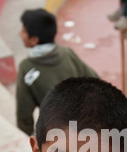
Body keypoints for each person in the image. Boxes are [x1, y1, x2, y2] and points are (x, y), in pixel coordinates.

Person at [16, 8, 99, 136]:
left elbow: (24, 110)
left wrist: (27, 133)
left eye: (24, 31)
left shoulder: (26, 68)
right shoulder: (67, 52)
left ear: (34, 40)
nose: (20, 34)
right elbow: (94, 80)